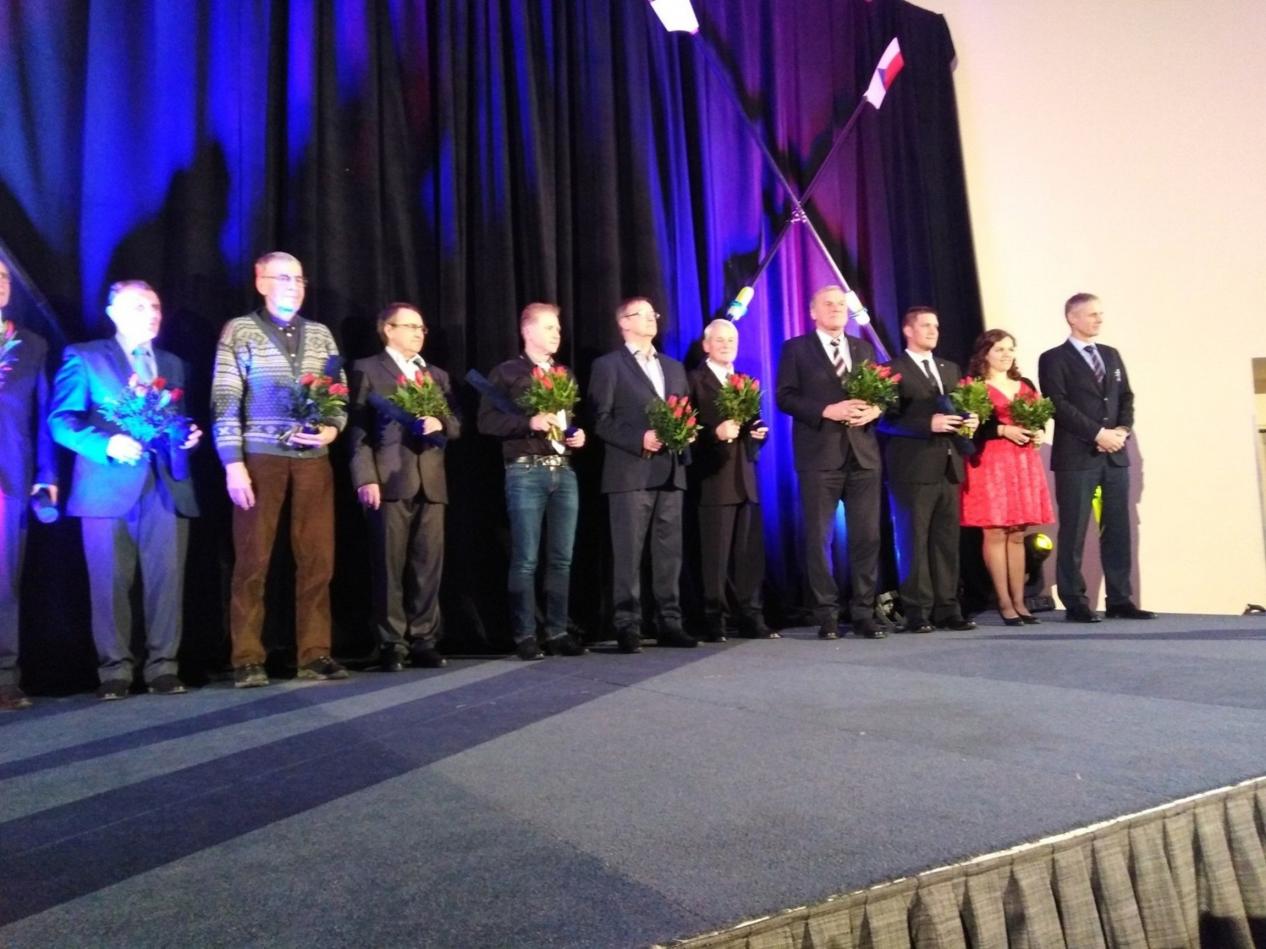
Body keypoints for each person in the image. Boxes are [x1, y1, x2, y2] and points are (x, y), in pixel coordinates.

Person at [49, 280, 201, 699]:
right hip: (106, 486)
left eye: (155, 306)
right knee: (109, 583)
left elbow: (176, 420)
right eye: (139, 307)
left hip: (165, 486)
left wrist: (186, 436)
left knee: (166, 581)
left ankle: (163, 667)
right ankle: (114, 670)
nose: (151, 314)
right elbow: (61, 420)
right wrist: (106, 444)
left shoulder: (172, 363)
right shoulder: (85, 357)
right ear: (113, 312)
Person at [211, 251, 349, 687]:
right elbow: (224, 398)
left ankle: (315, 653)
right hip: (261, 458)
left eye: (299, 279)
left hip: (313, 460)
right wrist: (233, 463)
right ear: (261, 282)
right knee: (253, 560)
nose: (294, 286)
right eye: (284, 278)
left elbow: (338, 392)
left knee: (318, 560)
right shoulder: (240, 330)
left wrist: (332, 429)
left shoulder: (321, 334)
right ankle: (247, 657)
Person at [348, 303, 460, 671]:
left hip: (432, 481)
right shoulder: (367, 368)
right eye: (410, 326)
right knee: (388, 565)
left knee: (428, 566)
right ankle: (391, 642)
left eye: (421, 328)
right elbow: (358, 429)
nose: (418, 333)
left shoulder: (435, 374)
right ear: (388, 329)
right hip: (389, 480)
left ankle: (424, 638)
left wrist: (441, 423)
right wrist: (365, 477)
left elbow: (457, 424)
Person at [775, 284, 886, 640]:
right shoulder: (796, 349)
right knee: (819, 538)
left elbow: (882, 394)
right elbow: (784, 397)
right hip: (819, 456)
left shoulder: (863, 348)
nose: (837, 308)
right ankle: (827, 614)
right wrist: (826, 410)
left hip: (863, 455)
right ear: (813, 312)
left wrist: (876, 409)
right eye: (828, 303)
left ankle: (864, 612)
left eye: (841, 304)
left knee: (867, 537)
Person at [477, 302, 587, 660]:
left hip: (564, 470)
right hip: (525, 470)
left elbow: (567, 419)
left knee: (561, 558)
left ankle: (557, 631)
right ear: (528, 330)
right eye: (550, 327)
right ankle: (525, 634)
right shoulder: (507, 372)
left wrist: (577, 435)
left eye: (558, 328)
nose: (557, 334)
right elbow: (486, 422)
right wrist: (529, 422)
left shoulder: (565, 374)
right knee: (526, 558)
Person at [1038, 293, 1153, 622]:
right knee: (1074, 529)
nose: (1098, 319)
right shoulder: (1054, 358)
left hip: (1114, 455)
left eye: (1100, 314)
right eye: (1091, 314)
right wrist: (1097, 434)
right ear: (1072, 318)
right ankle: (1075, 601)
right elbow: (1058, 404)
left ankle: (1120, 599)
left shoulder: (1110, 355)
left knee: (1117, 528)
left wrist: (1121, 431)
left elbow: (1125, 397)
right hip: (1077, 456)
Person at [589, 297, 696, 652]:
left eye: (654, 314)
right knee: (628, 553)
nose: (652, 319)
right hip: (629, 473)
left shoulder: (673, 367)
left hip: (671, 472)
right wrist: (639, 438)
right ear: (624, 322)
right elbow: (600, 420)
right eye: (643, 314)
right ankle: (627, 624)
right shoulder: (609, 366)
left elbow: (684, 412)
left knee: (669, 553)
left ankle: (670, 622)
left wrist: (686, 434)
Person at [879, 306, 977, 634]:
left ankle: (948, 608)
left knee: (946, 542)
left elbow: (959, 409)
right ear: (908, 330)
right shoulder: (892, 369)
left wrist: (970, 419)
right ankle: (918, 611)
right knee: (914, 542)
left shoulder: (949, 368)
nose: (933, 331)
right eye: (925, 325)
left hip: (949, 466)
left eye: (936, 325)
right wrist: (926, 424)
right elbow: (884, 420)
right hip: (913, 468)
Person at [688, 318, 775, 642]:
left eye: (731, 340)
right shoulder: (694, 380)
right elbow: (685, 430)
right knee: (715, 556)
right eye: (720, 340)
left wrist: (758, 433)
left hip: (745, 478)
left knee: (749, 555)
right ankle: (714, 618)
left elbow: (752, 424)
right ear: (706, 345)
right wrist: (715, 432)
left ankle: (751, 616)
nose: (726, 345)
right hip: (714, 480)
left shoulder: (744, 381)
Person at [959, 329, 1054, 625]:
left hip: (1022, 463)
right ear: (985, 353)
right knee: (995, 532)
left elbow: (1036, 418)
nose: (1006, 354)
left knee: (1017, 533)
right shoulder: (973, 386)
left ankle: (1020, 601)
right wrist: (1002, 429)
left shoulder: (1024, 384)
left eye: (1010, 349)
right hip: (991, 463)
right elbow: (970, 429)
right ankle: (1003, 601)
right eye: (999, 349)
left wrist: (1038, 433)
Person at [0, 258, 58, 710]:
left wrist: (46, 476)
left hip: (10, 478)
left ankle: (5, 677)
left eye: (2, 277)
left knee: (4, 583)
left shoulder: (31, 344)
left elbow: (43, 418)